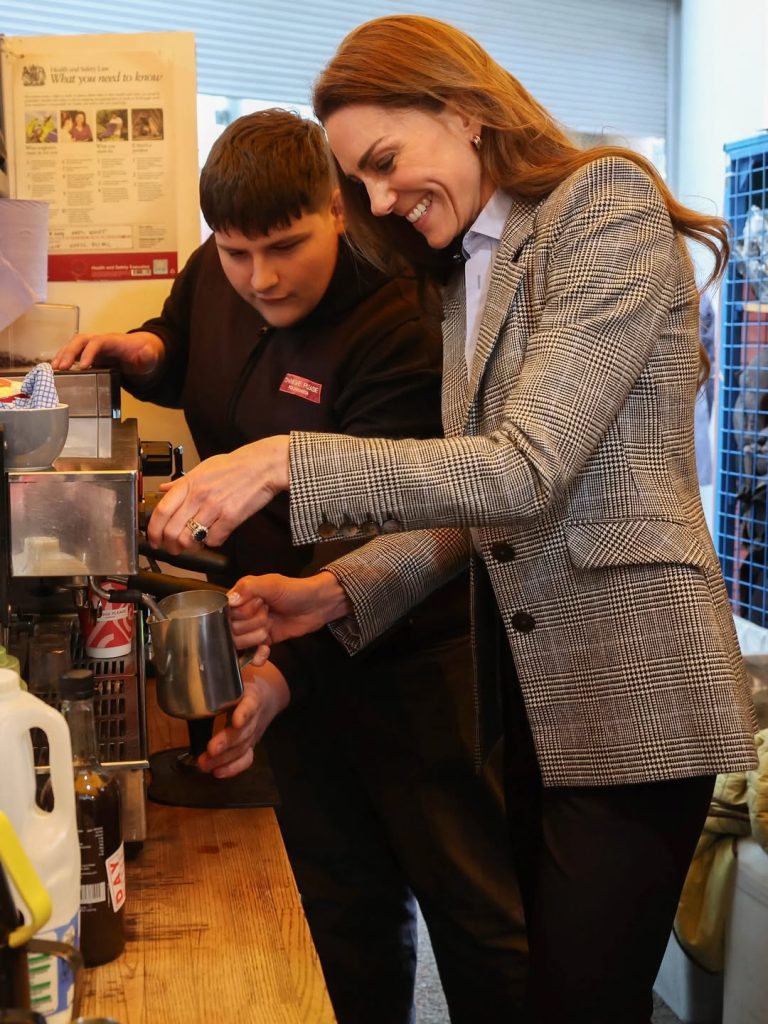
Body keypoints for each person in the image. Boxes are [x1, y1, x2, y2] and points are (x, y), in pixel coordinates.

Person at [144, 16, 760, 1024]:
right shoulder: (467, 264)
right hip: (530, 694)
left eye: (386, 163)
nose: (381, 199)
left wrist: (287, 460)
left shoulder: (602, 206)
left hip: (633, 689)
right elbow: (484, 519)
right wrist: (336, 589)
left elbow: (527, 467)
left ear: (463, 111)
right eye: (361, 182)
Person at [53, 108, 526, 1024]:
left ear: (339, 208)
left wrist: (281, 674)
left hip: (407, 651)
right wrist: (138, 352)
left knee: (471, 911)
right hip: (278, 634)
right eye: (235, 253)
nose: (260, 277)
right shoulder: (218, 272)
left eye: (284, 246)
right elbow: (183, 343)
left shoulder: (401, 318)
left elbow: (376, 544)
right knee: (341, 900)